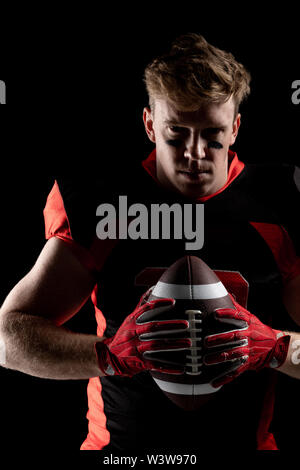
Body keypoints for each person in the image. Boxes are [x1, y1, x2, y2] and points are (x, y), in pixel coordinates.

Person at [0, 33, 299, 453]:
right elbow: (9, 338)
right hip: (119, 451)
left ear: (235, 127)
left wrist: (277, 347)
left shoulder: (280, 202)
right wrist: (109, 354)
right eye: (177, 134)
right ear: (149, 124)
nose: (195, 153)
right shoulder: (106, 203)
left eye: (212, 134)